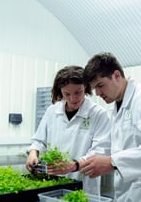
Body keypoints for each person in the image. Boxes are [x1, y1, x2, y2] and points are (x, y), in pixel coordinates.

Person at [81, 52, 141, 201]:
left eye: (100, 86)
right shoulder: (117, 108)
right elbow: (113, 146)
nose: (98, 93)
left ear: (116, 75)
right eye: (95, 88)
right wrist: (79, 164)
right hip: (130, 193)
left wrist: (112, 162)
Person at [26, 65, 111, 195]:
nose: (73, 99)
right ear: (60, 92)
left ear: (86, 87)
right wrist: (33, 153)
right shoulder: (52, 111)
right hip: (53, 182)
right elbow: (39, 140)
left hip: (84, 184)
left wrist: (75, 165)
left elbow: (100, 151)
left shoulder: (98, 114)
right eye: (67, 94)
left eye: (78, 92)